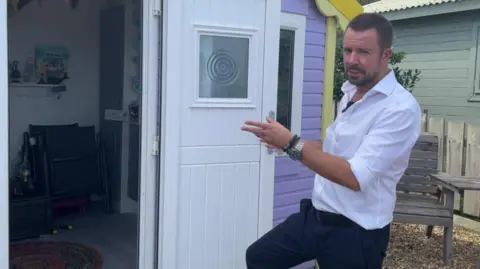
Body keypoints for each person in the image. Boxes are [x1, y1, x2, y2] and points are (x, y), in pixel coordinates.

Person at [240, 13, 422, 269]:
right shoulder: (352, 92)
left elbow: (355, 177)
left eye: (363, 52)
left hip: (356, 232)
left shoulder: (400, 109)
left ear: (386, 54)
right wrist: (287, 143)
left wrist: (292, 143)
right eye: (347, 50)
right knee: (260, 257)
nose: (352, 60)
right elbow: (334, 149)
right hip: (317, 217)